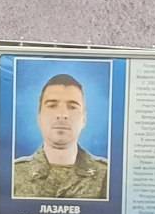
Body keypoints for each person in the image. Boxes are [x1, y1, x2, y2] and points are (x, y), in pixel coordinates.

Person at [12, 70, 110, 200]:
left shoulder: (106, 175)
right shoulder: (13, 174)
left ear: (84, 119)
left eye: (72, 107)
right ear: (39, 117)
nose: (62, 114)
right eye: (52, 105)